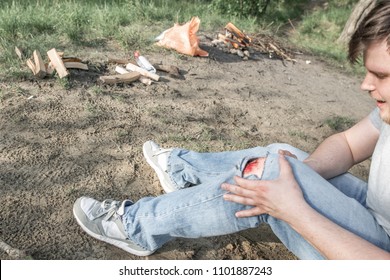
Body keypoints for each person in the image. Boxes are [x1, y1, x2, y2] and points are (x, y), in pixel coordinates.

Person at [73, 1, 390, 259]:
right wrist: (297, 174)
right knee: (281, 158)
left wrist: (294, 210)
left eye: (381, 75)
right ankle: (182, 170)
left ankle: (136, 227)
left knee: (266, 178)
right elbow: (349, 145)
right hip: (376, 213)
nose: (366, 85)